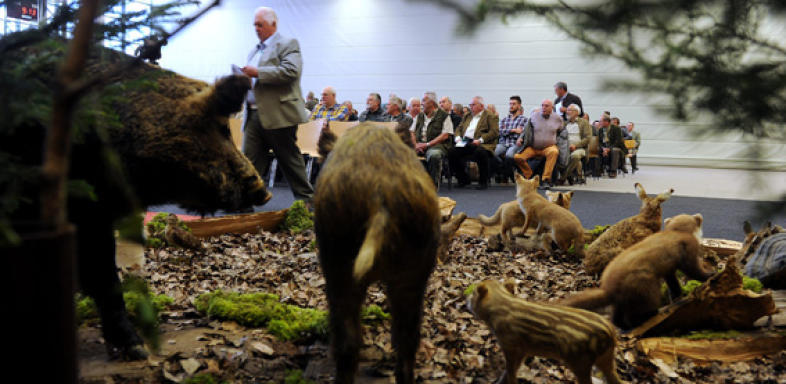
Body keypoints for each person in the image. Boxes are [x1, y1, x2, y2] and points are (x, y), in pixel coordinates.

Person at [241, 6, 313, 202]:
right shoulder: (254, 51)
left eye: (260, 24)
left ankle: (307, 202)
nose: (256, 28)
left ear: (273, 23)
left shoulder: (288, 43)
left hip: (279, 114)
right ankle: (243, 206)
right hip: (253, 115)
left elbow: (291, 71)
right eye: (254, 25)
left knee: (289, 160)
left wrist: (258, 73)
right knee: (248, 163)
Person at [448, 96, 499, 190]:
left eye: (473, 105)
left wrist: (480, 140)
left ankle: (483, 181)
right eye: (470, 105)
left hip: (482, 143)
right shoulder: (467, 115)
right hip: (465, 142)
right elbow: (459, 128)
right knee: (451, 152)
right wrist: (458, 137)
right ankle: (463, 178)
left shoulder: (490, 116)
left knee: (480, 152)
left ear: (481, 106)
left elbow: (494, 132)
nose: (471, 107)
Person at [513, 99, 563, 189]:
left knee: (554, 152)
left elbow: (562, 132)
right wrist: (520, 138)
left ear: (552, 108)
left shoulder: (558, 119)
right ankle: (530, 176)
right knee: (517, 157)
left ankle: (545, 180)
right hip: (534, 147)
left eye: (546, 106)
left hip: (549, 147)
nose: (543, 107)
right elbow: (525, 130)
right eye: (542, 105)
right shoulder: (533, 117)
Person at [412, 93, 453, 187]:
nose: (421, 103)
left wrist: (427, 145)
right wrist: (415, 145)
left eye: (424, 100)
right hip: (419, 146)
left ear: (432, 103)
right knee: (401, 153)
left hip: (437, 146)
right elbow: (411, 132)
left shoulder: (445, 116)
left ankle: (432, 187)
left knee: (434, 155)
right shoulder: (419, 116)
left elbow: (445, 135)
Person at [495, 96, 527, 183]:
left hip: (515, 144)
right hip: (503, 143)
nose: (511, 106)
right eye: (510, 104)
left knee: (509, 156)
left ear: (519, 105)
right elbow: (500, 132)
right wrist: (513, 130)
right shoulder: (504, 119)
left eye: (514, 104)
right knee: (492, 153)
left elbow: (522, 134)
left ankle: (506, 174)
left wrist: (507, 131)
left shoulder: (524, 120)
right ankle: (505, 172)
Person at [559, 104, 592, 184]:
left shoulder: (584, 122)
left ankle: (563, 178)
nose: (567, 112)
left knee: (575, 156)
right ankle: (572, 176)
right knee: (556, 155)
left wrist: (576, 146)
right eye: (567, 110)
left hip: (580, 148)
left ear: (576, 112)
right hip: (565, 148)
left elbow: (587, 138)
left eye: (570, 110)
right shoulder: (564, 123)